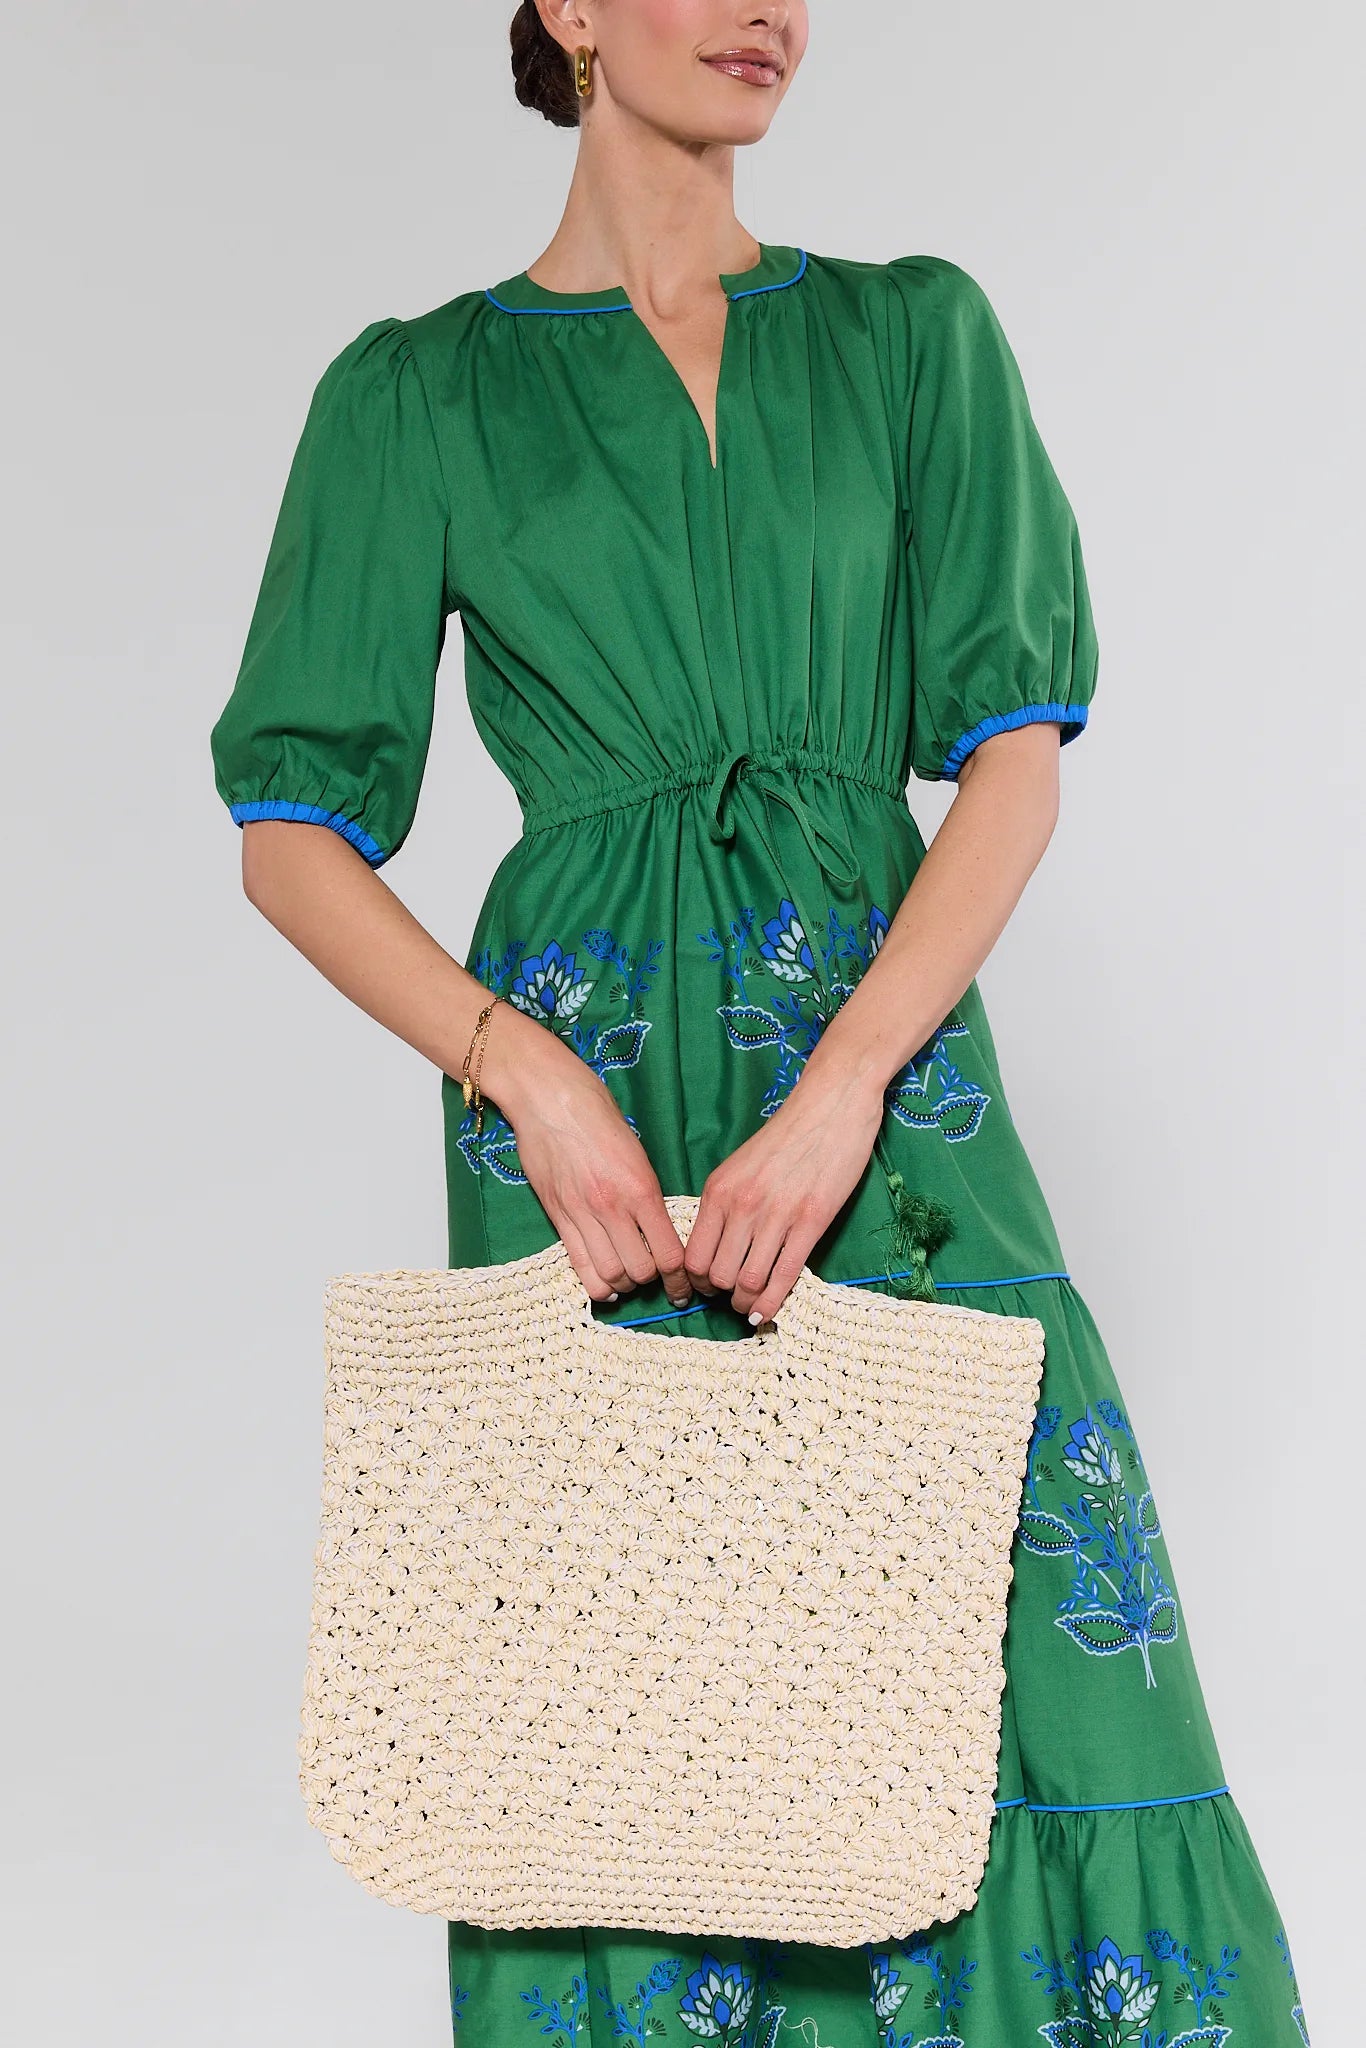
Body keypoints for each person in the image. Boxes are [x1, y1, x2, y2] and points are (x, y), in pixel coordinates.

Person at [209, 3, 1311, 2042]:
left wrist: (840, 1094)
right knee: (638, 1717)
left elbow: (1009, 762)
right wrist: (515, 1071)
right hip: (583, 1104)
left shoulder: (908, 337)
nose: (768, 10)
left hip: (883, 1083)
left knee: (1045, 1654)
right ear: (562, 3)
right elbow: (291, 832)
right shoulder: (413, 393)